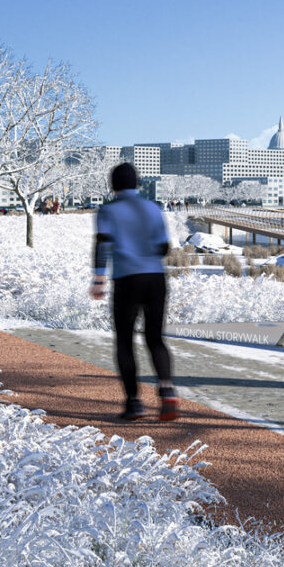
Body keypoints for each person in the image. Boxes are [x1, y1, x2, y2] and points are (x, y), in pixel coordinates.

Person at [91, 163, 177, 421]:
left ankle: (134, 403)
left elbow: (103, 244)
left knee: (125, 341)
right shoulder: (153, 208)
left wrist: (98, 278)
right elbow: (164, 248)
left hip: (127, 280)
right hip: (155, 279)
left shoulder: (108, 210)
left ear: (113, 184)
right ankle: (167, 390)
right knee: (155, 338)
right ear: (137, 183)